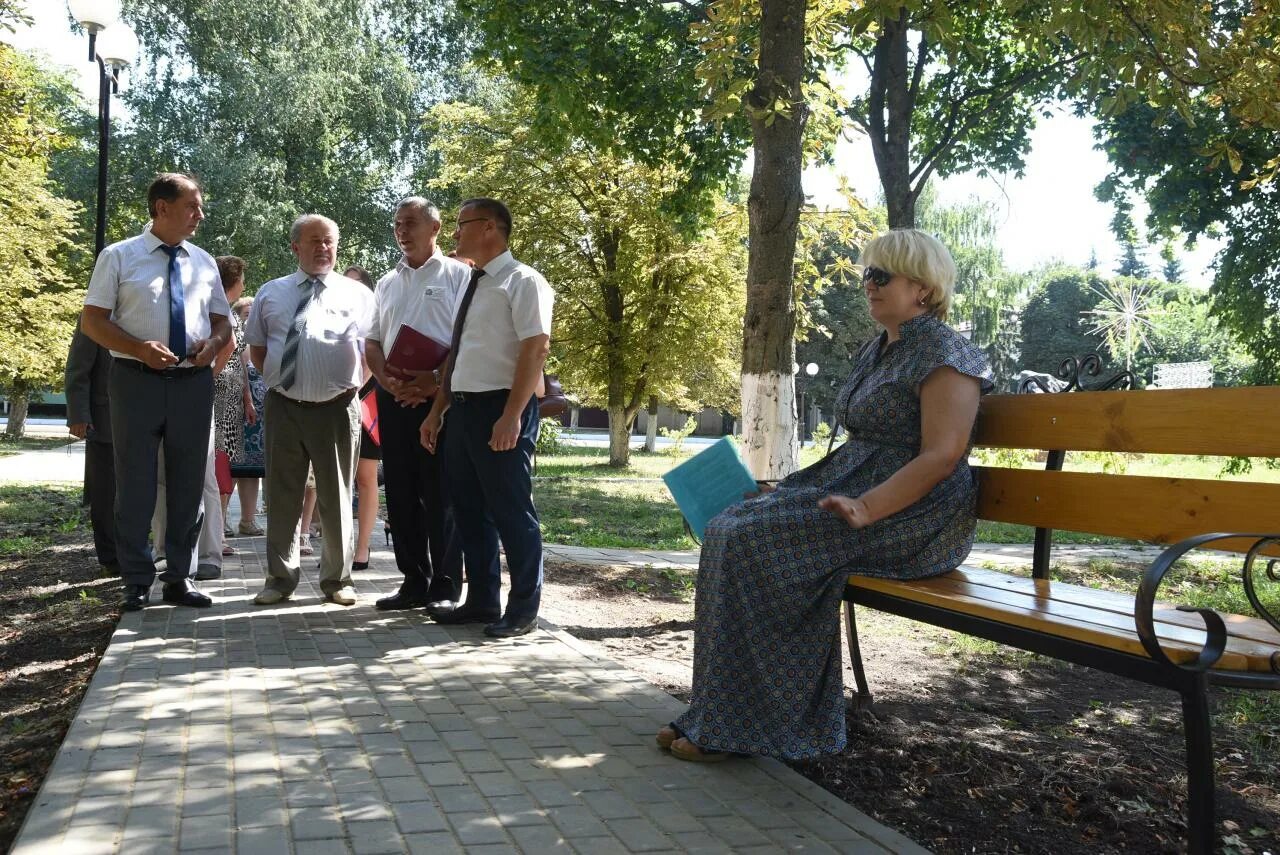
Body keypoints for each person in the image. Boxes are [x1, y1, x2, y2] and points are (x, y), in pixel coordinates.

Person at [656, 229, 995, 762]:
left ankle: (751, 731)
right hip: (856, 495)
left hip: (917, 519)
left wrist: (866, 507)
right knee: (731, 523)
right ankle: (718, 716)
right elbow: (858, 452)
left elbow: (942, 456)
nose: (869, 284)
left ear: (923, 289)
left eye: (882, 275)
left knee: (756, 541)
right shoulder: (881, 349)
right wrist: (783, 490)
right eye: (867, 274)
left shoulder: (946, 354)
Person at [80, 173, 231, 611]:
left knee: (188, 484)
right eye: (191, 206)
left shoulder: (203, 262)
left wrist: (214, 344)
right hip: (134, 382)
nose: (199, 215)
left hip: (192, 385)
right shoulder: (119, 257)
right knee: (135, 484)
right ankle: (136, 579)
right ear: (161, 208)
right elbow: (93, 321)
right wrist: (137, 349)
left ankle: (179, 577)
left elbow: (222, 321)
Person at [420, 198, 553, 638]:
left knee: (511, 510)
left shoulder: (523, 280)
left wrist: (512, 415)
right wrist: (439, 410)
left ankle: (523, 610)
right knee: (469, 510)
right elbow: (459, 353)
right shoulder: (472, 283)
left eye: (462, 225)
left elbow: (536, 349)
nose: (455, 234)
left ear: (491, 227)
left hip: (502, 408)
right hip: (463, 408)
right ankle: (481, 600)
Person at [245, 214, 373, 606]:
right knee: (282, 495)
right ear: (294, 246)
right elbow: (258, 348)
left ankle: (338, 580)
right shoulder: (271, 292)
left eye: (329, 241)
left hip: (336, 408)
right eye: (314, 240)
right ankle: (279, 580)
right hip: (284, 406)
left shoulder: (358, 295)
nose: (323, 248)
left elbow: (371, 352)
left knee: (337, 494)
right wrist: (283, 380)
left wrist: (349, 386)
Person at [365, 199, 468, 610]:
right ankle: (412, 580)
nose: (402, 231)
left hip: (439, 401)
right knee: (402, 492)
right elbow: (372, 341)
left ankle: (445, 586)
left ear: (435, 227)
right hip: (393, 399)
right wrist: (385, 380)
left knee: (440, 493)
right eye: (396, 224)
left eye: (410, 223)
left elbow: (465, 340)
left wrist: (434, 383)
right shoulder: (387, 282)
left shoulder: (459, 276)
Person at [64, 321, 116, 573]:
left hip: (141, 418)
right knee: (104, 492)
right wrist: (78, 415)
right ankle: (110, 557)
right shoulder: (95, 314)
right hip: (103, 421)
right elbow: (77, 367)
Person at [212, 256, 255, 554]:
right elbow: (228, 352)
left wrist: (248, 398)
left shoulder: (229, 315)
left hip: (233, 399)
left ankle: (220, 529)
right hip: (220, 399)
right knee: (219, 464)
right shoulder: (221, 314)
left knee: (226, 465)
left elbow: (241, 361)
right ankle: (217, 534)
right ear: (234, 280)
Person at [343, 264, 382, 572]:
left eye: (357, 283)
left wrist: (354, 392)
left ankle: (362, 547)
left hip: (367, 400)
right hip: (333, 401)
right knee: (337, 480)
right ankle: (338, 545)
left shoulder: (375, 315)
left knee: (366, 477)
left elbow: (372, 358)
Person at [230, 296, 265, 534]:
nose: (249, 320)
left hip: (264, 417)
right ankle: (220, 521)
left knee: (254, 469)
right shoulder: (237, 342)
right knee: (232, 466)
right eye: (245, 315)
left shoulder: (263, 341)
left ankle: (247, 520)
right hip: (240, 412)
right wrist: (247, 401)